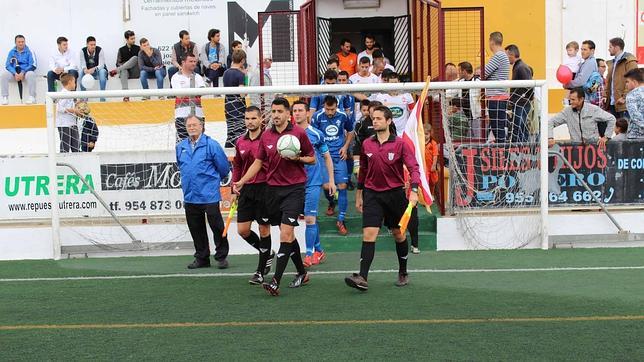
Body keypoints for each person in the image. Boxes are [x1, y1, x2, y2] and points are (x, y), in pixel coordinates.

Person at [233, 97, 316, 297]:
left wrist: (298, 158)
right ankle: (302, 274)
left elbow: (312, 158)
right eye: (274, 112)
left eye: (280, 112)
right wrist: (242, 180)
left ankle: (275, 281)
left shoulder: (299, 133)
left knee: (285, 234)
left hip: (294, 189)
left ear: (289, 114)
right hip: (272, 190)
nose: (276, 115)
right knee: (289, 235)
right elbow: (258, 162)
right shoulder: (267, 136)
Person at [345, 105, 421, 291]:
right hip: (372, 195)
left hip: (395, 195)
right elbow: (363, 170)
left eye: (379, 118)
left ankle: (403, 271)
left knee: (398, 234)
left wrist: (414, 190)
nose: (375, 121)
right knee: (369, 234)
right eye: (373, 118)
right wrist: (359, 194)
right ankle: (363, 277)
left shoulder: (400, 144)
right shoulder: (366, 144)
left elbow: (413, 168)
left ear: (389, 121)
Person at [176, 115, 230, 269]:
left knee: (217, 226)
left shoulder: (211, 145)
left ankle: (221, 257)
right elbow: (181, 166)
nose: (192, 127)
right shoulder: (180, 147)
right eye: (189, 125)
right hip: (190, 195)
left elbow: (224, 168)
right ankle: (202, 258)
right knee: (196, 228)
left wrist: (210, 182)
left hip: (209, 194)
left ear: (201, 126)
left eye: (194, 125)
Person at [231, 106, 275, 284]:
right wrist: (235, 186)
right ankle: (267, 253)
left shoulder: (267, 139)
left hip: (264, 189)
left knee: (264, 229)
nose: (250, 121)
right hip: (246, 189)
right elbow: (238, 166)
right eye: (247, 118)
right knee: (242, 230)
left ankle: (259, 271)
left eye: (253, 118)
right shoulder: (240, 141)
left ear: (260, 120)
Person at [292, 100, 336, 267]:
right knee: (307, 219)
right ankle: (318, 249)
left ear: (307, 113)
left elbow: (327, 157)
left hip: (313, 182)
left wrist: (331, 180)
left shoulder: (316, 134)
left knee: (310, 219)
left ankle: (309, 254)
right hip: (294, 183)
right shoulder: (288, 135)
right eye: (294, 110)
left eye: (300, 110)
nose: (297, 113)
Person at [312, 96, 354, 235]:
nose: (330, 112)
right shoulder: (317, 116)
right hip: (324, 156)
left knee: (342, 186)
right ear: (324, 106)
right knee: (326, 186)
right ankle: (331, 202)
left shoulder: (343, 115)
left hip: (338, 155)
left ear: (337, 106)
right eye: (327, 109)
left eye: (332, 109)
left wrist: (346, 147)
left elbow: (350, 131)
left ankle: (341, 219)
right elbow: (313, 135)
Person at [548, 88, 615, 147]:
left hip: (594, 148)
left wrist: (606, 137)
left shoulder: (593, 109)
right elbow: (550, 122)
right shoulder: (567, 111)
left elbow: (612, 119)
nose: (571, 102)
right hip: (576, 149)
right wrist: (550, 138)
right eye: (570, 100)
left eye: (573, 100)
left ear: (581, 99)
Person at [170, 53, 206, 142]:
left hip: (198, 114)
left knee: (199, 142)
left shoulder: (198, 77)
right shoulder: (176, 77)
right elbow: (179, 94)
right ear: (183, 62)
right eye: (191, 61)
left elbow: (202, 91)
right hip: (181, 115)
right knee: (183, 143)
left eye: (195, 61)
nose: (193, 63)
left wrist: (186, 91)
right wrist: (194, 91)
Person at [483, 31, 510, 143]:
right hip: (498, 97)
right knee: (497, 127)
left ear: (491, 41)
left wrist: (478, 71)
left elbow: (484, 73)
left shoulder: (498, 56)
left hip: (496, 97)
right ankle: (501, 148)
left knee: (497, 127)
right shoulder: (502, 55)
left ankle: (502, 151)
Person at [505, 44, 533, 142]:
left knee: (519, 128)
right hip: (520, 103)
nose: (506, 58)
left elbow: (529, 86)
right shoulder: (519, 66)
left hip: (521, 104)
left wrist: (522, 98)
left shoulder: (521, 67)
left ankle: (522, 150)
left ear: (511, 55)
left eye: (506, 55)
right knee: (520, 128)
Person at [604, 37, 638, 119]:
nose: (608, 49)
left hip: (624, 104)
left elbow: (633, 80)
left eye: (610, 47)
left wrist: (624, 97)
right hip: (612, 103)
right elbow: (609, 82)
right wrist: (605, 96)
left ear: (617, 47)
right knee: (617, 130)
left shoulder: (629, 61)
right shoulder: (612, 63)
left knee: (625, 130)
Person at [1, 35, 37, 105]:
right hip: (15, 74)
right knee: (4, 75)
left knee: (31, 74)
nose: (21, 43)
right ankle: (5, 98)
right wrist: (15, 73)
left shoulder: (30, 51)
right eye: (19, 42)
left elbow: (33, 65)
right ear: (15, 43)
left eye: (22, 42)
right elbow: (8, 65)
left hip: (25, 73)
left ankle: (32, 97)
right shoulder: (12, 52)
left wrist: (23, 72)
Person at [222, 49, 247, 148]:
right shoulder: (240, 74)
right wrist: (246, 77)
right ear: (243, 61)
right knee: (240, 132)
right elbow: (242, 94)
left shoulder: (226, 73)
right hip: (238, 106)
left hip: (228, 104)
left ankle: (228, 155)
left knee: (231, 132)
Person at [109, 30, 140, 100]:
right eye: (132, 39)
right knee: (123, 70)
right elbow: (117, 63)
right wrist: (126, 64)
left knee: (135, 58)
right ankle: (126, 95)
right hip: (126, 73)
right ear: (126, 39)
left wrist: (128, 63)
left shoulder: (138, 48)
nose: (134, 40)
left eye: (134, 38)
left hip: (135, 72)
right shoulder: (121, 50)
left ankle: (116, 71)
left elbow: (140, 61)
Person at [455, 61, 482, 137]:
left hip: (477, 117)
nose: (458, 73)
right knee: (469, 140)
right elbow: (450, 92)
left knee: (478, 139)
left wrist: (486, 114)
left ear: (464, 71)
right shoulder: (460, 82)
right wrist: (436, 96)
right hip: (466, 117)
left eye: (459, 71)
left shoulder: (478, 81)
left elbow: (484, 98)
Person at [56, 73, 81, 153]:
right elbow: (59, 108)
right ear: (70, 82)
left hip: (72, 123)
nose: (75, 84)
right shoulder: (64, 94)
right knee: (65, 147)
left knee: (76, 146)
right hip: (64, 124)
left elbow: (69, 105)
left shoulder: (70, 94)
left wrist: (77, 105)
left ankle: (76, 163)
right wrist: (74, 110)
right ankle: (63, 163)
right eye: (74, 82)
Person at [624, 68, 644, 139]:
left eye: (627, 82)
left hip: (636, 135)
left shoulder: (631, 95)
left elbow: (634, 115)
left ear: (634, 82)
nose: (626, 84)